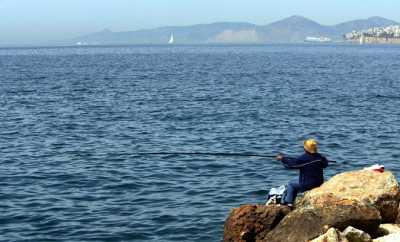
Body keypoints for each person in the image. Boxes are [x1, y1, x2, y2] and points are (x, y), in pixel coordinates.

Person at [276, 139, 328, 208]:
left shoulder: (303, 158)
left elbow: (291, 165)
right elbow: (325, 164)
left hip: (307, 185)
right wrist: (324, 159)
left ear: (305, 148)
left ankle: (288, 203)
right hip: (319, 183)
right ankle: (290, 202)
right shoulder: (320, 157)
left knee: (291, 184)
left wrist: (282, 159)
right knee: (294, 182)